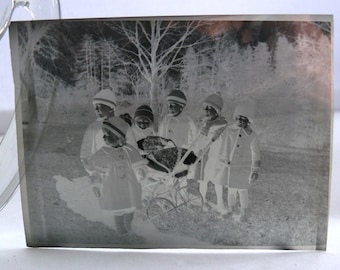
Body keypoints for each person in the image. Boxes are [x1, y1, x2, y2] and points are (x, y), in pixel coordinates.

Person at [85, 117, 148, 235]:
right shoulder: (103, 153)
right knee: (118, 208)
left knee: (130, 206)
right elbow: (95, 171)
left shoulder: (129, 150)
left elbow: (137, 164)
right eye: (104, 134)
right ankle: (120, 227)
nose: (104, 137)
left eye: (107, 134)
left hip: (130, 184)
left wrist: (140, 172)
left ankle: (128, 224)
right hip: (113, 185)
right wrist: (96, 184)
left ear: (118, 137)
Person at [191, 93, 228, 214]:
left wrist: (208, 135)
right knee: (203, 180)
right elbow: (200, 140)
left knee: (218, 181)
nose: (206, 110)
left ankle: (220, 203)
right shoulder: (206, 124)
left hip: (216, 156)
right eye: (205, 107)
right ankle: (203, 200)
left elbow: (218, 140)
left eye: (209, 108)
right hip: (204, 156)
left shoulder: (222, 125)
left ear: (216, 111)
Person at [224, 103, 261, 222]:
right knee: (231, 189)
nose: (239, 121)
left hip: (245, 167)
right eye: (237, 118)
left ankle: (244, 212)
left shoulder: (252, 135)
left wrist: (255, 170)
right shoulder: (230, 131)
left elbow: (256, 152)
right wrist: (224, 160)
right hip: (231, 166)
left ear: (248, 121)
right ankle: (231, 209)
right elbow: (226, 147)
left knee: (243, 190)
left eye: (243, 118)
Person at [80, 88, 116, 169]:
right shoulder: (93, 127)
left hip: (116, 163)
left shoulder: (119, 124)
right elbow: (86, 144)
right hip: (97, 164)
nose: (96, 110)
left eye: (99, 107)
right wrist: (85, 159)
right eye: (95, 107)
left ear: (111, 108)